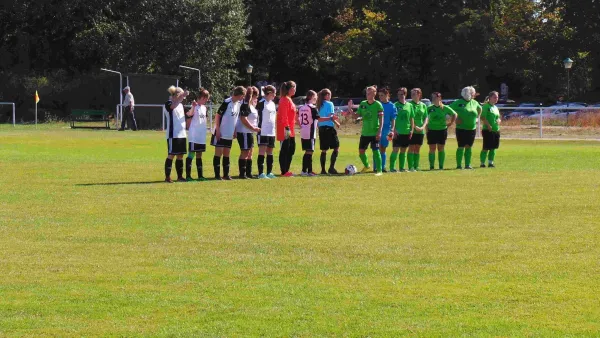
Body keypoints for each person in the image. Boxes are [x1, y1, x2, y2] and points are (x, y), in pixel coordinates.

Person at [347, 86, 384, 176]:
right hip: (365, 133)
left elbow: (382, 119)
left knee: (375, 151)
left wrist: (379, 131)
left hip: (374, 132)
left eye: (370, 93)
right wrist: (350, 110)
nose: (368, 95)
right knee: (361, 151)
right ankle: (367, 166)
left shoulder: (378, 104)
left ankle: (379, 171)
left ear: (374, 93)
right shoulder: (363, 104)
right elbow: (356, 116)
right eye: (367, 93)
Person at [211, 86, 246, 180]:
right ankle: (217, 175)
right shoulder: (226, 102)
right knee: (218, 154)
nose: (243, 98)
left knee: (227, 154)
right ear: (239, 94)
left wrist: (234, 130)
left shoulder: (238, 104)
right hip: (221, 133)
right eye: (243, 95)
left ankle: (226, 175)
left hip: (229, 134)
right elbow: (218, 116)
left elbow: (234, 119)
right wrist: (217, 130)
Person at [450, 86, 482, 169]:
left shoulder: (475, 102)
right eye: (472, 93)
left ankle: (467, 165)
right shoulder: (458, 102)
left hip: (472, 129)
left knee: (469, 146)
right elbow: (448, 110)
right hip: (461, 128)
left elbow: (480, 109)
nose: (473, 95)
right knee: (461, 146)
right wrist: (455, 119)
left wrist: (476, 118)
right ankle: (459, 165)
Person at [163, 86, 189, 183]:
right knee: (171, 155)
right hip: (172, 134)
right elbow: (172, 106)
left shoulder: (181, 105)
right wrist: (182, 95)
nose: (183, 99)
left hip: (182, 134)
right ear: (177, 95)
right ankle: (167, 177)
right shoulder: (168, 103)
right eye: (181, 97)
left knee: (180, 155)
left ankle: (180, 176)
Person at [184, 88, 210, 181]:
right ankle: (188, 176)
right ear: (202, 97)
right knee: (191, 154)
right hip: (194, 135)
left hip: (201, 136)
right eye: (206, 98)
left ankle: (200, 176)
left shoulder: (204, 108)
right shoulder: (194, 106)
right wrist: (193, 107)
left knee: (199, 155)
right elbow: (189, 115)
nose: (207, 100)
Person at [426, 92, 457, 170]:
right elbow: (424, 117)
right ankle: (432, 166)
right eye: (432, 97)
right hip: (432, 130)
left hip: (442, 130)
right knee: (432, 148)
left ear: (439, 98)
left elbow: (454, 114)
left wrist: (450, 123)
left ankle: (441, 166)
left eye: (435, 97)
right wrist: (426, 126)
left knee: (441, 148)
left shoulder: (445, 107)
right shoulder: (429, 108)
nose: (433, 99)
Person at [237, 86, 261, 179]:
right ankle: (242, 174)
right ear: (253, 95)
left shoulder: (251, 105)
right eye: (257, 95)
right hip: (244, 131)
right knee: (245, 152)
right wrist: (253, 128)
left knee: (250, 152)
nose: (257, 97)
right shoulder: (245, 104)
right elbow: (243, 118)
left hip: (249, 132)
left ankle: (248, 173)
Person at [316, 88, 341, 175]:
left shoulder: (319, 104)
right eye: (329, 94)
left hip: (321, 128)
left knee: (324, 150)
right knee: (336, 147)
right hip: (329, 128)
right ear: (326, 95)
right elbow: (331, 116)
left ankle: (323, 170)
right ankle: (331, 168)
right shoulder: (330, 104)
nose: (330, 96)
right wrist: (337, 122)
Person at [256, 85, 277, 179]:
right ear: (269, 93)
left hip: (271, 131)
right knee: (262, 151)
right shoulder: (261, 103)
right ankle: (261, 173)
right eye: (274, 93)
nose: (275, 95)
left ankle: (269, 172)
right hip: (263, 131)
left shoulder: (272, 103)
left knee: (270, 152)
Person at [276, 81, 297, 177]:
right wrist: (286, 127)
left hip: (290, 129)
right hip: (286, 129)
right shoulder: (284, 100)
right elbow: (283, 115)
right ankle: (284, 171)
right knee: (285, 148)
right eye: (294, 87)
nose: (295, 89)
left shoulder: (289, 99)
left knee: (291, 149)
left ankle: (286, 170)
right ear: (289, 89)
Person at [390, 87, 414, 172]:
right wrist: (394, 129)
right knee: (395, 150)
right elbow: (393, 118)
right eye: (399, 94)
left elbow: (411, 118)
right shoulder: (395, 105)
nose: (400, 96)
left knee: (403, 150)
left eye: (402, 94)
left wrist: (411, 129)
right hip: (398, 132)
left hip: (406, 131)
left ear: (405, 94)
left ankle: (402, 168)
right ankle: (392, 168)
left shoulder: (410, 105)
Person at [298, 90, 320, 176]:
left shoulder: (301, 107)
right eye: (315, 97)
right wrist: (330, 118)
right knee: (309, 151)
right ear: (311, 97)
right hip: (310, 132)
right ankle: (307, 171)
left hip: (304, 132)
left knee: (307, 151)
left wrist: (301, 126)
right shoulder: (312, 108)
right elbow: (319, 118)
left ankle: (306, 171)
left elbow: (298, 118)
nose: (316, 98)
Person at [377, 87, 397, 172]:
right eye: (379, 95)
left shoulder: (392, 106)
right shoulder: (377, 104)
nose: (380, 97)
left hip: (386, 129)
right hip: (377, 129)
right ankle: (376, 167)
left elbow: (393, 119)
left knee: (383, 148)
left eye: (382, 95)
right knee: (376, 148)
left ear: (387, 95)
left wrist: (392, 129)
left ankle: (383, 166)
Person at [408, 88, 428, 172]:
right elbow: (408, 117)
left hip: (421, 130)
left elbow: (426, 117)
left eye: (414, 94)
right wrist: (415, 127)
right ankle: (410, 167)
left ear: (419, 94)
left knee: (417, 148)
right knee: (411, 148)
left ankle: (416, 166)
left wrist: (423, 127)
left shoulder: (423, 105)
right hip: (412, 130)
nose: (412, 95)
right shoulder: (409, 104)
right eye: (411, 94)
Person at [480, 91, 501, 168]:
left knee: (494, 147)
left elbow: (498, 117)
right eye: (494, 97)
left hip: (496, 130)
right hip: (488, 130)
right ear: (490, 98)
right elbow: (483, 117)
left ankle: (490, 162)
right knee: (486, 147)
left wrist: (499, 120)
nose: (496, 99)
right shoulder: (486, 106)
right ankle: (482, 163)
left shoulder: (495, 107)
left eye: (497, 97)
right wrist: (488, 126)